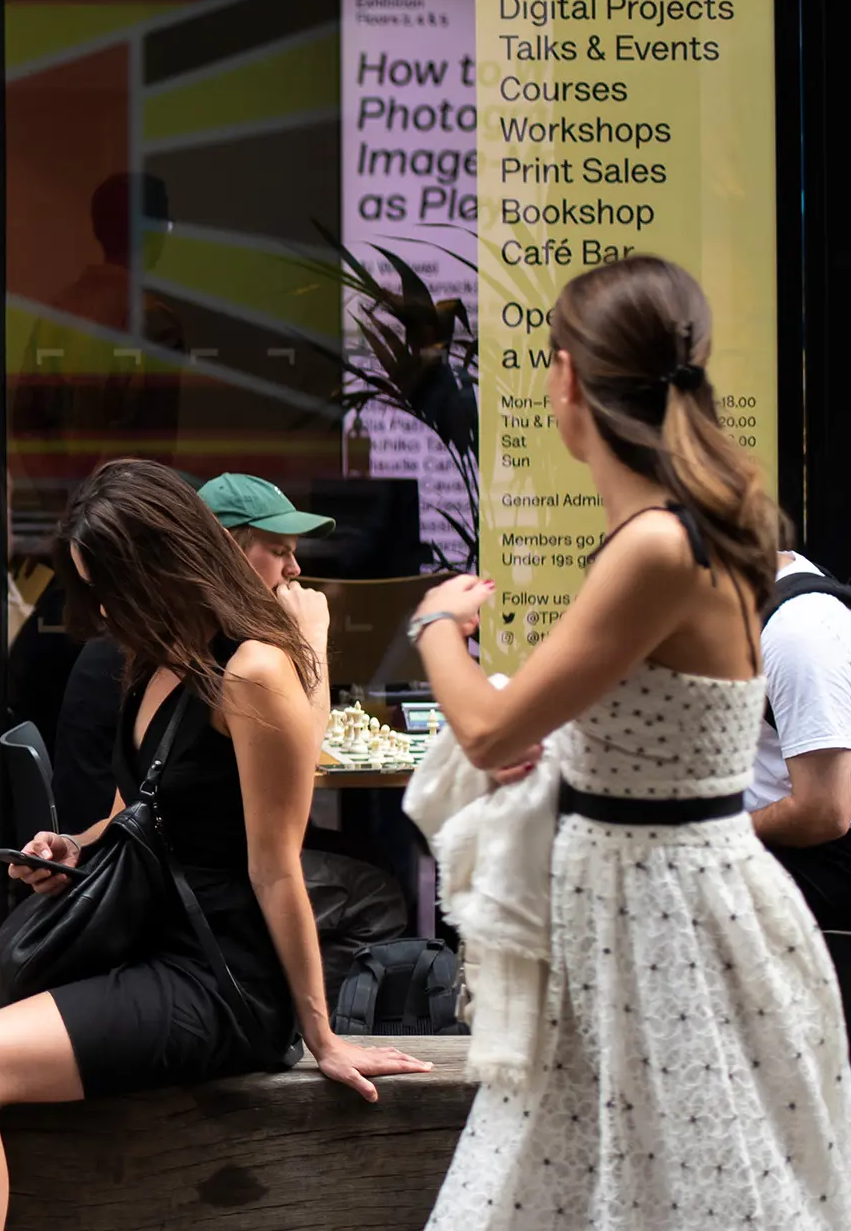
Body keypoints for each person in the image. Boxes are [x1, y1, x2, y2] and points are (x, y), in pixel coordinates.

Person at [0, 459, 428, 1228]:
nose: (97, 606)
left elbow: (277, 865)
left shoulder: (254, 671)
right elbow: (132, 814)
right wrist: (72, 847)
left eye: (110, 584)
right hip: (134, 930)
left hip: (216, 973)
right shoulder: (156, 658)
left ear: (165, 564)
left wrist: (320, 1034)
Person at [406, 257, 851, 1226]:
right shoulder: (696, 530)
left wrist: (435, 623)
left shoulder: (654, 543)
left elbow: (484, 732)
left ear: (565, 378)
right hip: (669, 908)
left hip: (655, 919)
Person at [52, 472, 333, 830]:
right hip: (121, 860)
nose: (295, 570)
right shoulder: (159, 649)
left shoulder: (202, 644)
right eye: (279, 552)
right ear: (228, 549)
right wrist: (311, 640)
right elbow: (297, 772)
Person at [747, 550, 851, 933]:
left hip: (821, 858)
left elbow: (824, 813)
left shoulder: (797, 633)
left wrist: (713, 830)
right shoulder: (756, 609)